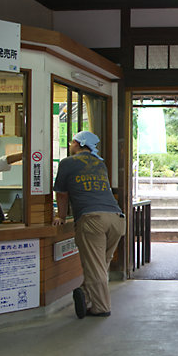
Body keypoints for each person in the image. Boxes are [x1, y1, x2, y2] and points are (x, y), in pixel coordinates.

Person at [53, 131, 125, 319]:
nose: (70, 145)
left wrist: (60, 216)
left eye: (71, 142)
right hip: (117, 218)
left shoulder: (67, 163)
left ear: (77, 143)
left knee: (95, 266)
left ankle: (101, 307)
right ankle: (85, 295)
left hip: (92, 219)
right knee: (100, 264)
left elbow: (61, 193)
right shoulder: (100, 163)